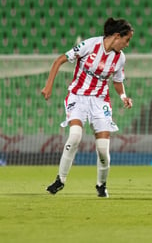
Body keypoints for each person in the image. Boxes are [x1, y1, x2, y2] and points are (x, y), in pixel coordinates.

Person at [42, 17, 134, 197]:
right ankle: (60, 180)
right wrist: (48, 86)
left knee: (102, 149)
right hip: (78, 97)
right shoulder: (90, 45)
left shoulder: (120, 58)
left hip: (100, 102)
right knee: (75, 136)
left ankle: (101, 184)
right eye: (127, 39)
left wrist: (124, 96)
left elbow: (117, 81)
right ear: (117, 36)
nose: (127, 44)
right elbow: (59, 60)